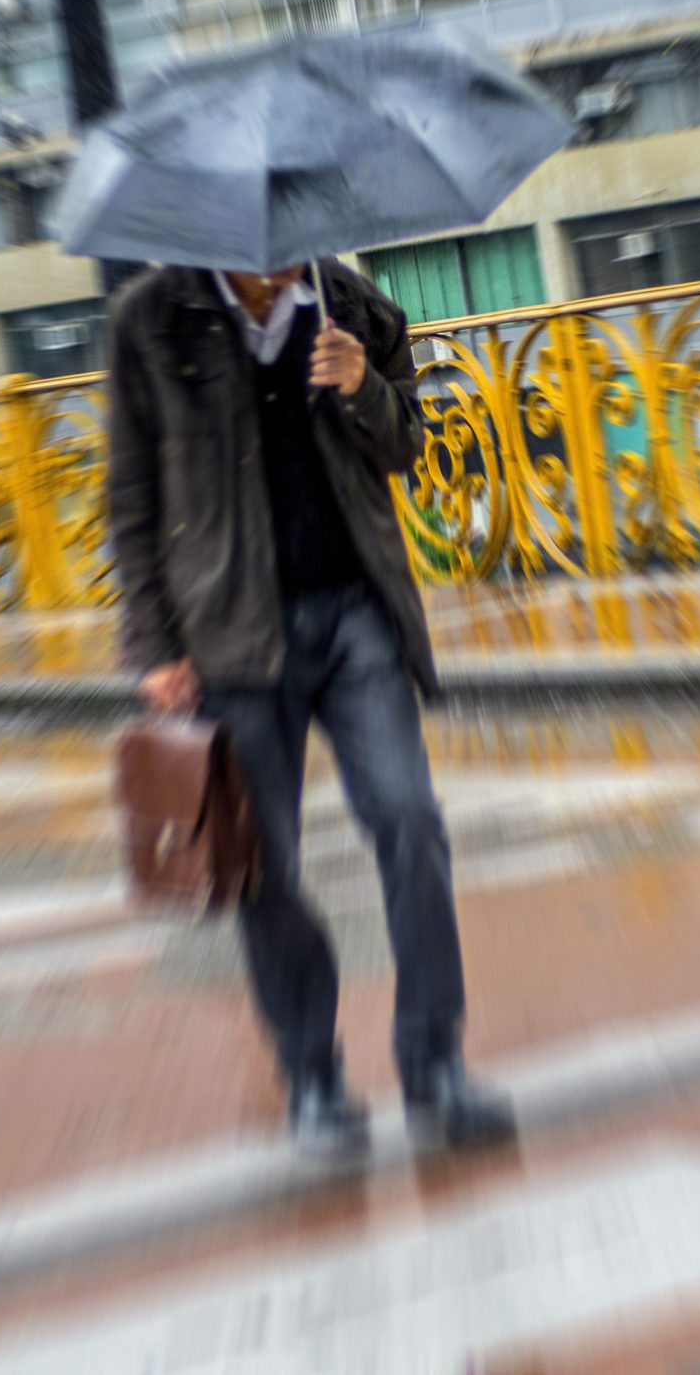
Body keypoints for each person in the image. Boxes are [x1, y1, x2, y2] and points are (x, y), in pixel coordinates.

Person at [105, 259, 516, 1162]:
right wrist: (155, 644)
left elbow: (408, 447)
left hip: (356, 615)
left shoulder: (354, 305)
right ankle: (315, 1078)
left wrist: (363, 383)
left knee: (410, 819)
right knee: (266, 866)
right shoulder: (151, 319)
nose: (285, 253)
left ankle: (434, 1061)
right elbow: (130, 497)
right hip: (232, 638)